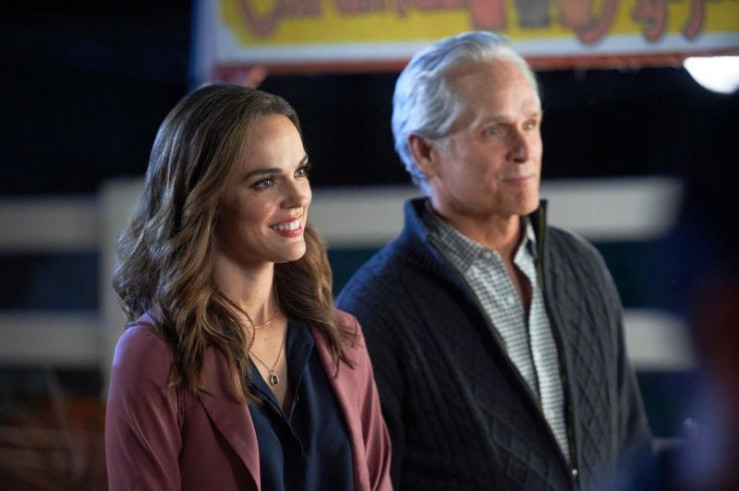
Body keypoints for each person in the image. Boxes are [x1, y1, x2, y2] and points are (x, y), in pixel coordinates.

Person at [336, 31, 653, 490]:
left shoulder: (581, 265)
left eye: (530, 123)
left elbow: (632, 445)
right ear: (425, 152)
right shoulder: (373, 310)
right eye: (493, 130)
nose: (524, 150)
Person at [105, 84, 392, 491]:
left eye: (300, 171)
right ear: (206, 200)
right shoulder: (154, 354)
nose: (298, 196)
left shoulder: (342, 338)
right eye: (265, 182)